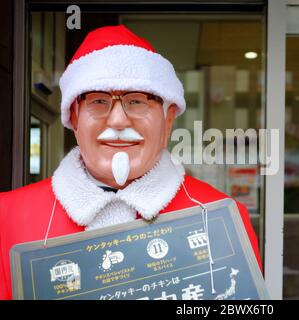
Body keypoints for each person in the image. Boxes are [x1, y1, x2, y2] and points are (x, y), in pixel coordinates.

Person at [0, 25, 261, 300]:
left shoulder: (221, 217)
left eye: (137, 101)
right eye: (98, 100)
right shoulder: (8, 216)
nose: (118, 121)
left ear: (168, 119)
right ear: (74, 117)